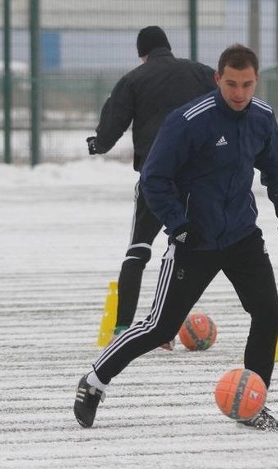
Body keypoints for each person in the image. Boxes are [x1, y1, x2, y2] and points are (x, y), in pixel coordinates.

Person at [74, 43, 278, 432]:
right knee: (160, 326)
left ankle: (252, 405)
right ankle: (94, 381)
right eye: (231, 83)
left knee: (268, 314)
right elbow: (154, 179)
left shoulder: (262, 116)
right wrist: (177, 223)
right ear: (218, 78)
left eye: (247, 84)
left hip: (242, 235)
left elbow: (272, 163)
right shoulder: (189, 120)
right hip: (194, 240)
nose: (239, 93)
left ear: (256, 80)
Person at [86, 26, 217, 343]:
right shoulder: (200, 73)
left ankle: (122, 328)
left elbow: (114, 121)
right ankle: (164, 329)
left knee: (138, 250)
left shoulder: (134, 79)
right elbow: (228, 103)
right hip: (192, 178)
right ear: (168, 47)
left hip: (154, 178)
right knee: (180, 250)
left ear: (142, 53)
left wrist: (99, 144)